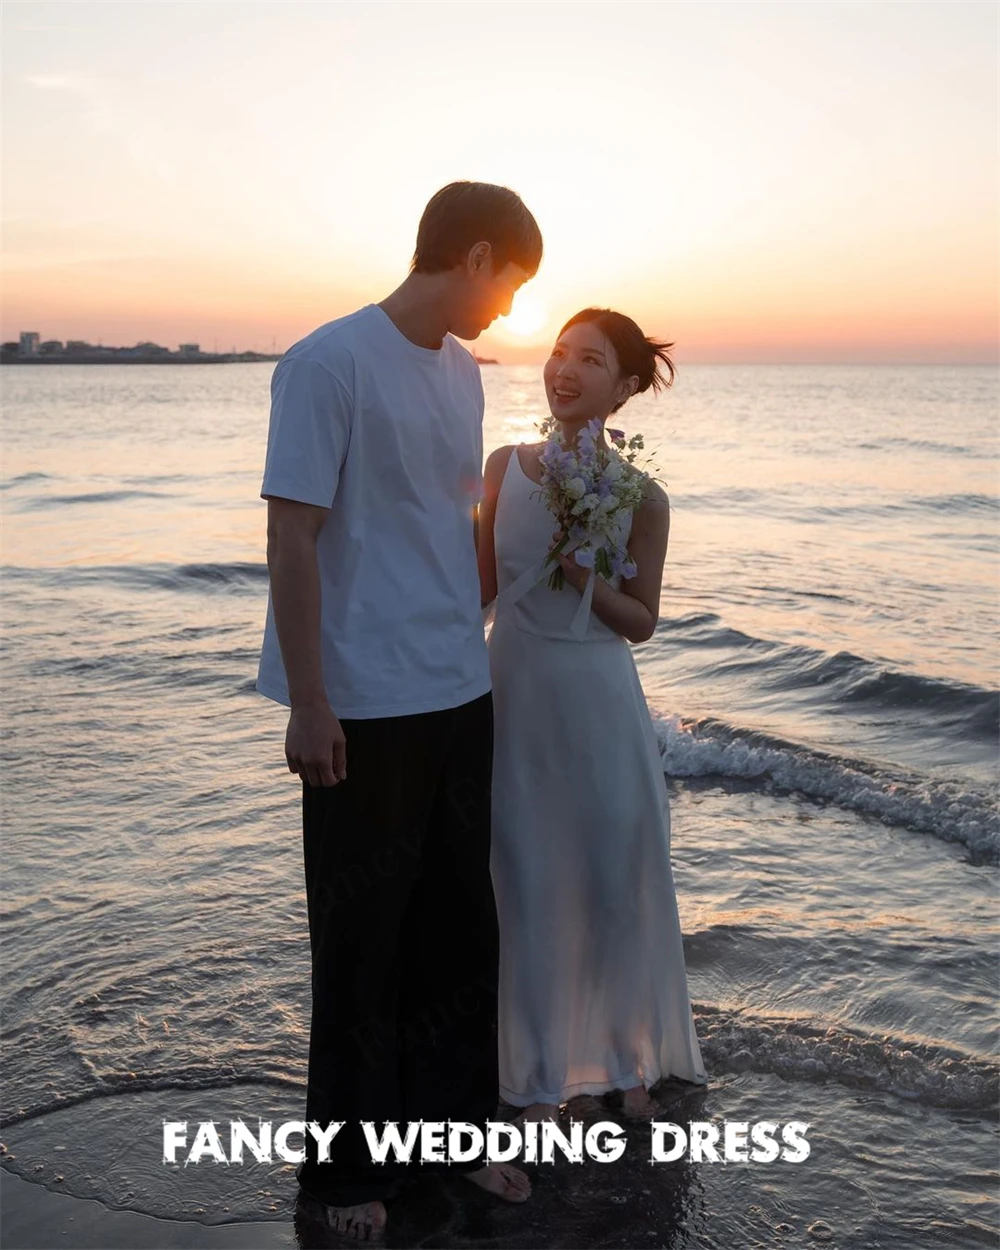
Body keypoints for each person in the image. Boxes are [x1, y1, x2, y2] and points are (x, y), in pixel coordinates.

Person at [257, 182, 541, 1240]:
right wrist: (310, 702)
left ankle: (455, 1140)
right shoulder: (327, 363)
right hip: (363, 702)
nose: (510, 307)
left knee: (461, 934)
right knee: (361, 939)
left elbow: (450, 512)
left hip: (456, 685)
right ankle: (341, 1175)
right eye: (510, 281)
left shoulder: (463, 373)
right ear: (473, 256)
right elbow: (293, 538)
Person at [477, 308, 708, 1123]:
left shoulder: (644, 497)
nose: (564, 370)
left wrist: (584, 579)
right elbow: (475, 594)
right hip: (516, 699)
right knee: (526, 879)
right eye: (559, 352)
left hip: (601, 706)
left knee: (612, 879)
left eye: (590, 360)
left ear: (626, 385)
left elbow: (642, 620)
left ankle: (621, 1058)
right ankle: (534, 1073)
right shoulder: (503, 466)